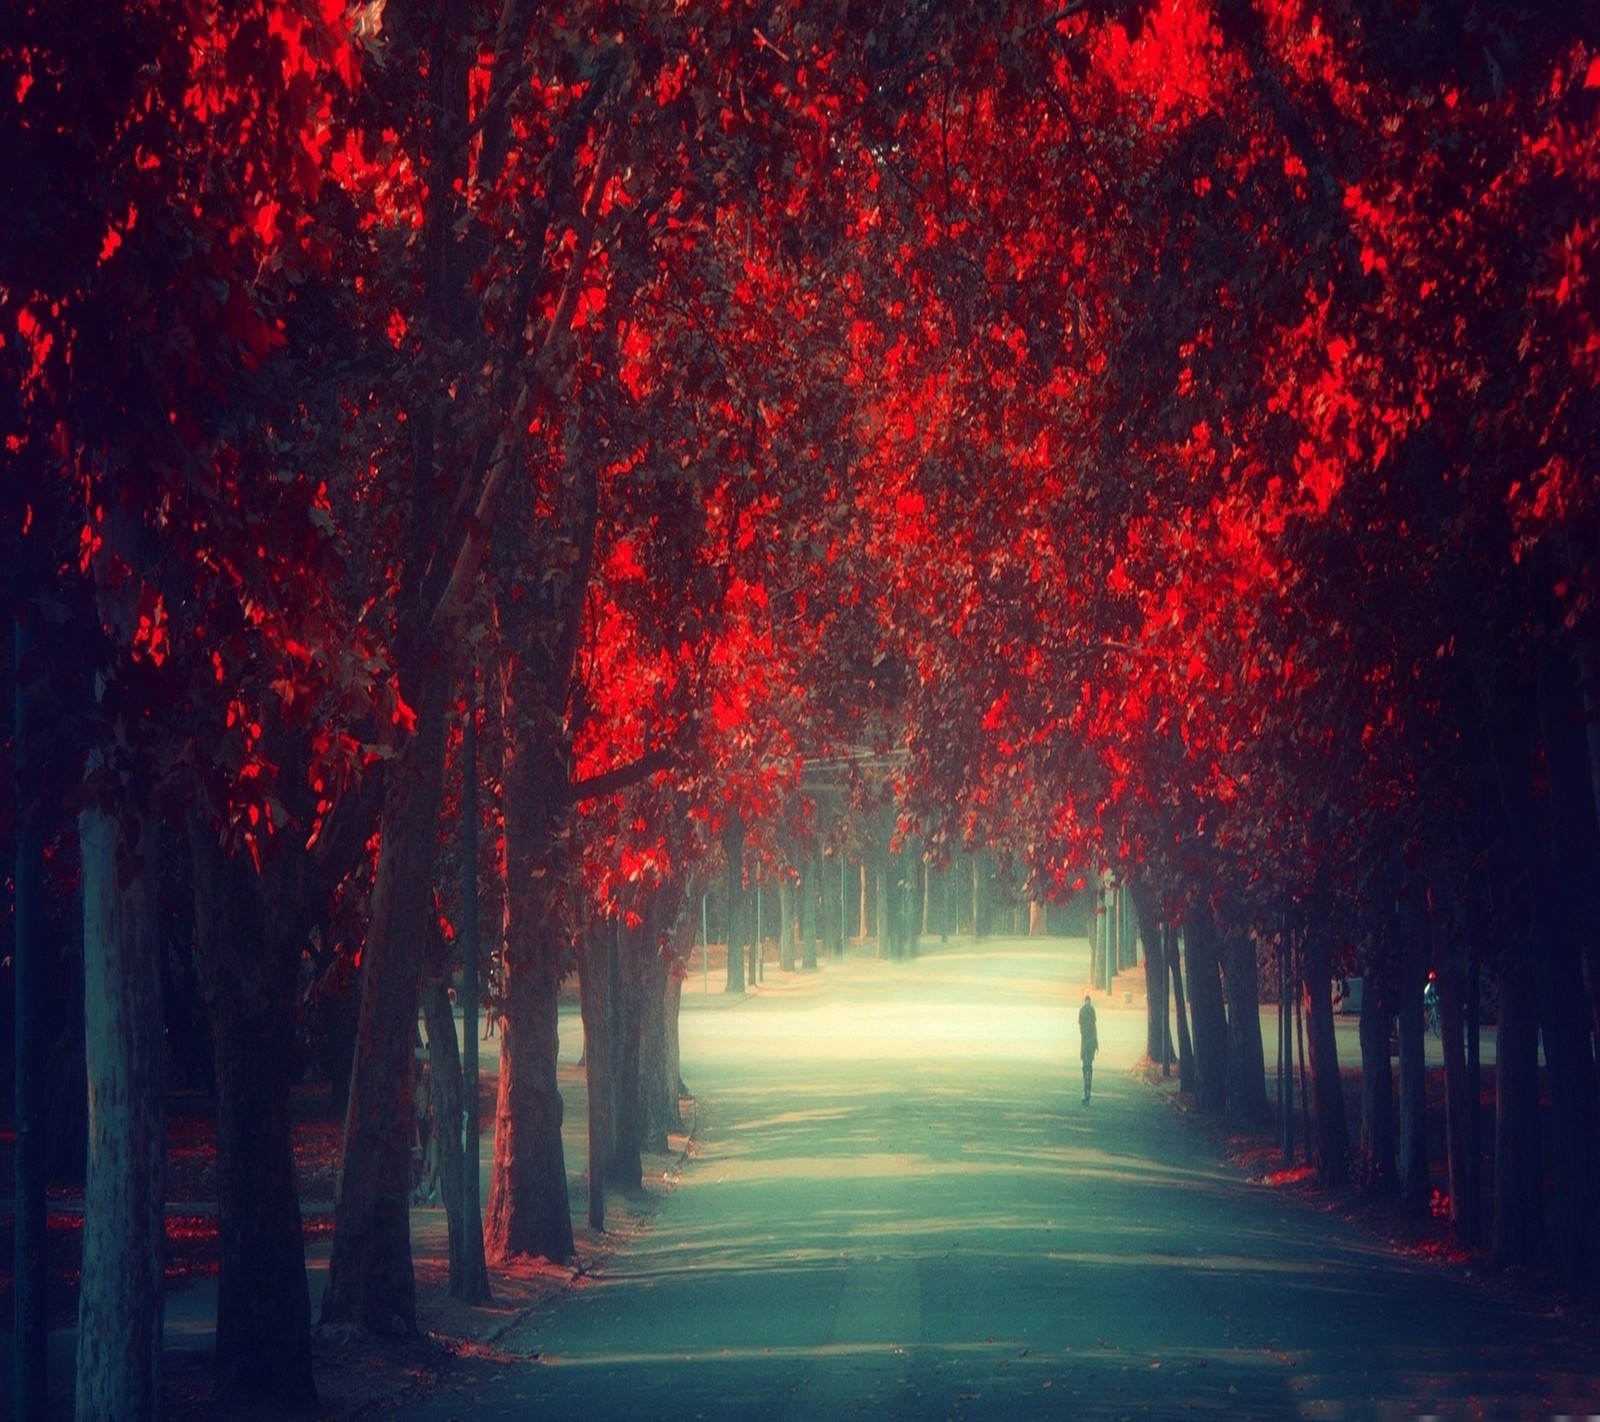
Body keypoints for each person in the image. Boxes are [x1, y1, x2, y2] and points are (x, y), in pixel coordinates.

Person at [1078, 993, 1098, 1103]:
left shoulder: (1081, 1011)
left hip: (1085, 1042)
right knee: (1090, 1066)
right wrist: (1097, 1044)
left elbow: (1080, 1026)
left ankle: (1085, 1089)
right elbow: (1095, 1028)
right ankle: (1089, 1090)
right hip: (1092, 1042)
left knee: (1084, 1066)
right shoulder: (1092, 1010)